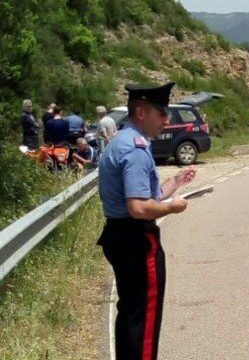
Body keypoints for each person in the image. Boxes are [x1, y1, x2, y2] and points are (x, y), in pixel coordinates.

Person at [97, 81, 196, 360]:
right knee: (145, 318)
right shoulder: (136, 149)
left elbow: (145, 194)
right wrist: (172, 208)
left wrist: (174, 183)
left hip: (120, 236)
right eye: (161, 112)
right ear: (141, 111)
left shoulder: (122, 141)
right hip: (137, 241)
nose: (166, 119)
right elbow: (139, 207)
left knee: (130, 313)